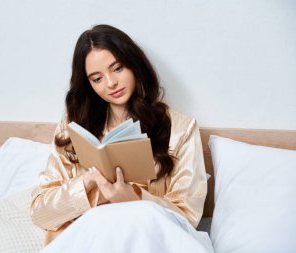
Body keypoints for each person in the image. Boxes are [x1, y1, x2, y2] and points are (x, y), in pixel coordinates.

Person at [30, 24, 212, 252]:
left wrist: (136, 198)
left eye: (117, 69)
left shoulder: (181, 129)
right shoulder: (72, 129)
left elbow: (188, 217)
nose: (111, 83)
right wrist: (88, 182)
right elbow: (40, 213)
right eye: (97, 78)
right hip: (91, 239)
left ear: (134, 64)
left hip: (147, 237)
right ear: (89, 84)